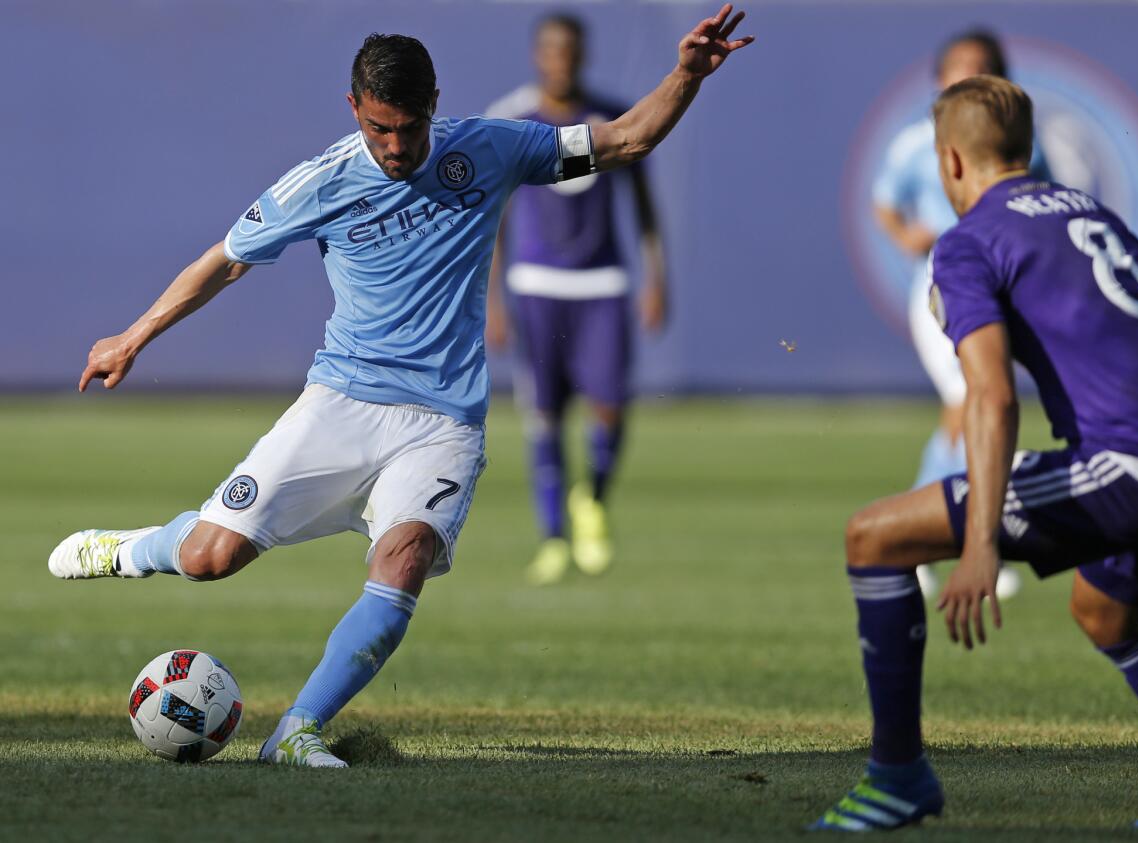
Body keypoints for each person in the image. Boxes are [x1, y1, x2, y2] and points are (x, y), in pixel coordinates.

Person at [47, 7, 753, 768]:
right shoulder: (321, 181)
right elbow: (226, 259)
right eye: (380, 128)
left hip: (444, 421)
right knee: (210, 558)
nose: (395, 146)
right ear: (354, 108)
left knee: (405, 560)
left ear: (434, 106)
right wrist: (134, 335)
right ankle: (135, 548)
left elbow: (626, 139)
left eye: (409, 128)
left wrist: (685, 74)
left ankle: (297, 732)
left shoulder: (488, 147)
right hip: (342, 402)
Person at [814, 75, 1138, 831]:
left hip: (1135, 464)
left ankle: (898, 779)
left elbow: (990, 397)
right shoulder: (1094, 213)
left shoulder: (970, 242)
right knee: (1103, 613)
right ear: (1030, 150)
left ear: (951, 164)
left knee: (876, 536)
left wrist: (980, 544)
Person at [484, 13, 668, 585]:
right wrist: (490, 299)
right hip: (536, 286)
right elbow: (495, 218)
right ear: (540, 56)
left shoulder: (611, 118)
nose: (561, 61)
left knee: (611, 406)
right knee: (545, 416)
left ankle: (592, 499)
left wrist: (656, 276)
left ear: (582, 55)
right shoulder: (512, 120)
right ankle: (553, 539)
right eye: (552, 52)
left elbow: (643, 206)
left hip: (602, 284)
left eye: (571, 52)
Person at [873, 30, 1051, 600]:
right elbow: (885, 202)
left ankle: (932, 536)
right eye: (959, 69)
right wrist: (907, 235)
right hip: (947, 285)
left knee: (975, 406)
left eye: (982, 68)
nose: (968, 78)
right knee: (969, 404)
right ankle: (932, 537)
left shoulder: (1025, 148)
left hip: (998, 289)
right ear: (938, 80)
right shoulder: (915, 144)